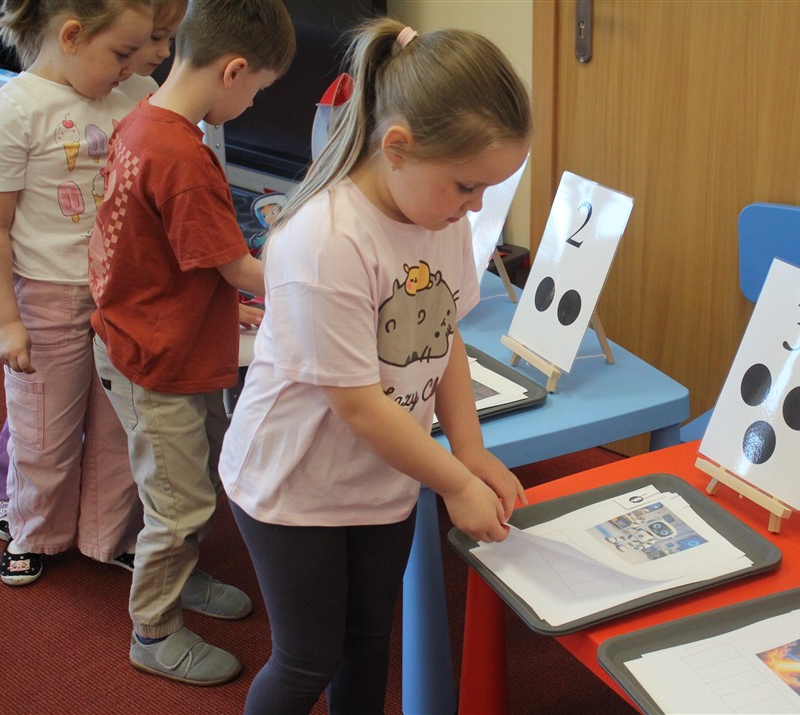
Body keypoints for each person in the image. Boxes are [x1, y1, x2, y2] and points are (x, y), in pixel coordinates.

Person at [218, 17, 531, 714]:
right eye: (467, 186)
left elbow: (444, 338)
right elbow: (358, 404)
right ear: (397, 148)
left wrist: (470, 450)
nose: (477, 207)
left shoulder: (440, 220)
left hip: (380, 476)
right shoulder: (325, 241)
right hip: (291, 485)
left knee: (367, 645)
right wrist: (454, 480)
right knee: (308, 659)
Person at [87, 0, 294, 686]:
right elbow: (240, 268)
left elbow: (173, 256)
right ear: (233, 71)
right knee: (179, 504)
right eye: (257, 90)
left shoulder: (144, 118)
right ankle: (152, 629)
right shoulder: (182, 156)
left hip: (164, 337)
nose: (253, 103)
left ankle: (183, 574)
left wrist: (232, 310)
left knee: (197, 474)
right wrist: (316, 280)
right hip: (157, 360)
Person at [0, 0, 188, 548]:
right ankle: (36, 535)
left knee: (120, 428)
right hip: (48, 295)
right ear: (72, 36)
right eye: (123, 52)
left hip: (124, 294)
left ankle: (107, 538)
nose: (133, 65)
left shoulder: (137, 94)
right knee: (44, 429)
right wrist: (6, 322)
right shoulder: (16, 109)